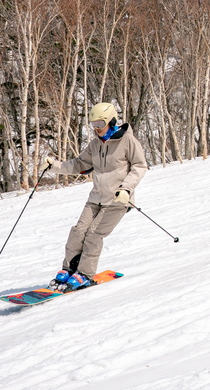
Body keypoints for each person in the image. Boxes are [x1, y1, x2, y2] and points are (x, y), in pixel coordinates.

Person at [41, 102, 148, 290]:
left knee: (93, 235)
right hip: (96, 198)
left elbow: (140, 166)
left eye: (100, 124)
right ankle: (69, 269)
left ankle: (85, 274)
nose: (96, 129)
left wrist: (126, 189)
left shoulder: (128, 141)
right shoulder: (95, 144)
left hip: (117, 200)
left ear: (111, 121)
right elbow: (79, 164)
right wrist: (55, 166)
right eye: (93, 125)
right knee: (78, 231)